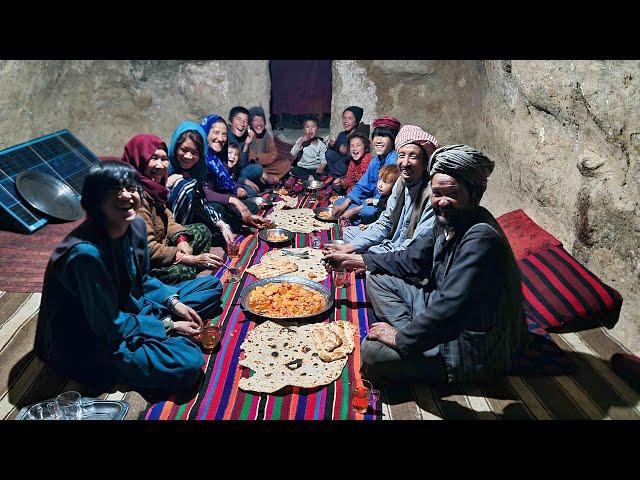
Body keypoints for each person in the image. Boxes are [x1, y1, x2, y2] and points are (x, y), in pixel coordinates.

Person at [324, 145, 528, 385]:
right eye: (437, 193)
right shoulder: (447, 221)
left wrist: (400, 339)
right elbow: (412, 258)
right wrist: (357, 260)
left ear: (474, 195)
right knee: (376, 276)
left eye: (451, 194)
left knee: (372, 353)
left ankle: (415, 340)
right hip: (438, 307)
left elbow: (451, 307)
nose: (441, 202)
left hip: (470, 342)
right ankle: (417, 337)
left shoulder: (481, 238)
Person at [34, 161, 223, 393]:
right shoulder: (85, 254)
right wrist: (169, 325)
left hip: (131, 309)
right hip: (94, 340)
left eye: (131, 188)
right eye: (114, 190)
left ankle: (156, 331)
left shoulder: (131, 228)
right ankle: (146, 348)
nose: (126, 195)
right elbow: (108, 325)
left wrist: (175, 304)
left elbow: (142, 280)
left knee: (211, 285)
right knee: (189, 363)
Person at [120, 134, 224, 284]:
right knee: (185, 270)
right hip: (145, 263)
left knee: (202, 230)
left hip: (163, 244)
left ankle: (189, 270)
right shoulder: (134, 196)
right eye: (153, 158)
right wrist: (187, 259)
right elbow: (148, 248)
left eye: (163, 159)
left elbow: (167, 216)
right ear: (139, 158)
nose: (160, 165)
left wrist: (181, 240)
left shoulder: (153, 188)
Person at [331, 124, 439, 254]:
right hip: (387, 236)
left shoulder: (431, 195)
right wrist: (349, 248)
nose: (405, 163)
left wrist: (367, 258)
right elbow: (385, 223)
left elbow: (415, 249)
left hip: (403, 252)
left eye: (413, 156)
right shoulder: (400, 183)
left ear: (424, 163)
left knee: (370, 254)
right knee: (348, 232)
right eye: (402, 155)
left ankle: (369, 256)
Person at [193, 114, 268, 240]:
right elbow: (201, 192)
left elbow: (228, 181)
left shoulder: (219, 157)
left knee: (250, 206)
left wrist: (236, 197)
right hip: (202, 204)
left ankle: (233, 222)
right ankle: (225, 226)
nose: (221, 138)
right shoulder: (199, 157)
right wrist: (232, 200)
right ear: (205, 133)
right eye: (216, 133)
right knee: (220, 209)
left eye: (224, 134)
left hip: (218, 200)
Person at [166, 120, 237, 247]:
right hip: (169, 226)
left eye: (194, 152)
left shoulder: (198, 169)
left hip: (191, 214)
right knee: (186, 186)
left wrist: (223, 225)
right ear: (175, 148)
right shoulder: (164, 167)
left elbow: (201, 201)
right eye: (184, 149)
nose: (188, 156)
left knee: (222, 224)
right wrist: (169, 183)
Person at [331, 116, 401, 224]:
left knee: (368, 212)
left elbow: (386, 199)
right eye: (376, 136)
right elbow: (363, 185)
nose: (378, 140)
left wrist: (354, 210)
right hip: (370, 199)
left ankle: (359, 218)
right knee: (339, 203)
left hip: (384, 204)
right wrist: (345, 204)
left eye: (384, 136)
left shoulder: (394, 162)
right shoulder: (376, 160)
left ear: (393, 140)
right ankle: (356, 216)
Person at [247, 106, 292, 184]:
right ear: (250, 123)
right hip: (251, 168)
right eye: (255, 120)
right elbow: (248, 158)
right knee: (254, 170)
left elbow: (273, 155)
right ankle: (265, 179)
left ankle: (267, 179)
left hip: (266, 168)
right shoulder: (248, 135)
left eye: (261, 120)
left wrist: (258, 157)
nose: (259, 124)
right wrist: (259, 158)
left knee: (286, 163)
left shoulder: (266, 135)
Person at [325, 106, 364, 179]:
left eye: (349, 118)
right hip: (341, 165)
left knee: (337, 187)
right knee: (329, 153)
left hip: (352, 166)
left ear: (356, 122)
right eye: (344, 118)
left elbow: (358, 156)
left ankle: (338, 177)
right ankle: (335, 176)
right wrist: (332, 145)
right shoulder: (342, 134)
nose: (346, 121)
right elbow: (337, 149)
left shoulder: (359, 137)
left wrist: (347, 151)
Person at [290, 116, 328, 181]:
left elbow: (323, 158)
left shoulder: (321, 144)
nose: (310, 129)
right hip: (302, 168)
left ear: (318, 129)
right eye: (307, 127)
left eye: (313, 127)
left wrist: (322, 166)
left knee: (325, 173)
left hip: (315, 169)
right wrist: (301, 141)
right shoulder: (301, 141)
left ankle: (309, 178)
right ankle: (309, 178)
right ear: (304, 130)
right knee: (294, 170)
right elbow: (293, 153)